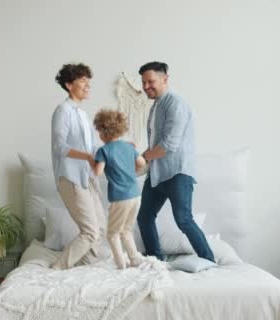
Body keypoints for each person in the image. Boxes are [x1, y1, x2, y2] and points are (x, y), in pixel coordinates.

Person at [136, 61, 214, 262]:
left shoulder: (176, 103)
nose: (146, 87)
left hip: (177, 173)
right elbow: (156, 145)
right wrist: (136, 161)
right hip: (157, 173)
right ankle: (155, 260)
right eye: (143, 82)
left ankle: (209, 261)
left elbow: (170, 144)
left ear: (165, 79)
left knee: (184, 220)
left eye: (150, 81)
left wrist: (144, 157)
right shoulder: (155, 107)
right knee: (144, 218)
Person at [51, 63, 108, 269]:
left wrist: (116, 146)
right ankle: (57, 268)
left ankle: (86, 268)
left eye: (88, 81)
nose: (87, 85)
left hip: (88, 178)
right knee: (90, 231)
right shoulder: (62, 111)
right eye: (83, 81)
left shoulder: (83, 115)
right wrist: (86, 157)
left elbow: (93, 148)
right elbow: (60, 147)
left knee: (100, 228)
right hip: (71, 178)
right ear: (68, 84)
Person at [91, 109, 146, 269]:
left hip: (120, 198)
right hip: (135, 195)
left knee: (113, 233)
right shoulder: (129, 147)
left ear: (104, 132)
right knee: (126, 230)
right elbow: (142, 163)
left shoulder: (103, 151)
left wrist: (91, 160)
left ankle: (121, 264)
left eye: (99, 131)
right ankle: (135, 259)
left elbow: (98, 172)